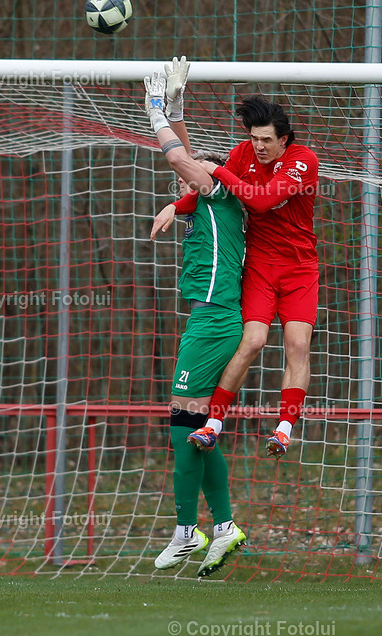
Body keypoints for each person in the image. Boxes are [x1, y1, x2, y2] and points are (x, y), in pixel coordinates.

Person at [153, 71, 320, 459]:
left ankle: (283, 429)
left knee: (297, 345)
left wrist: (218, 169)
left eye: (266, 140)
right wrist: (175, 205)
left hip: (299, 269)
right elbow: (213, 191)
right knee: (253, 341)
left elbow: (259, 201)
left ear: (284, 140)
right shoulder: (243, 154)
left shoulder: (303, 161)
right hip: (260, 264)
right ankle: (213, 424)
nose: (258, 146)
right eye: (253, 138)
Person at [143, 65, 247, 576]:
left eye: (208, 163)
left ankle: (189, 530)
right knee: (193, 426)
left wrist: (155, 110)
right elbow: (188, 155)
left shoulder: (219, 191)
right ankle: (222, 527)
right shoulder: (213, 197)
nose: (196, 163)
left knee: (183, 422)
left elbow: (181, 156)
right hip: (211, 318)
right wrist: (178, 105)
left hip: (215, 322)